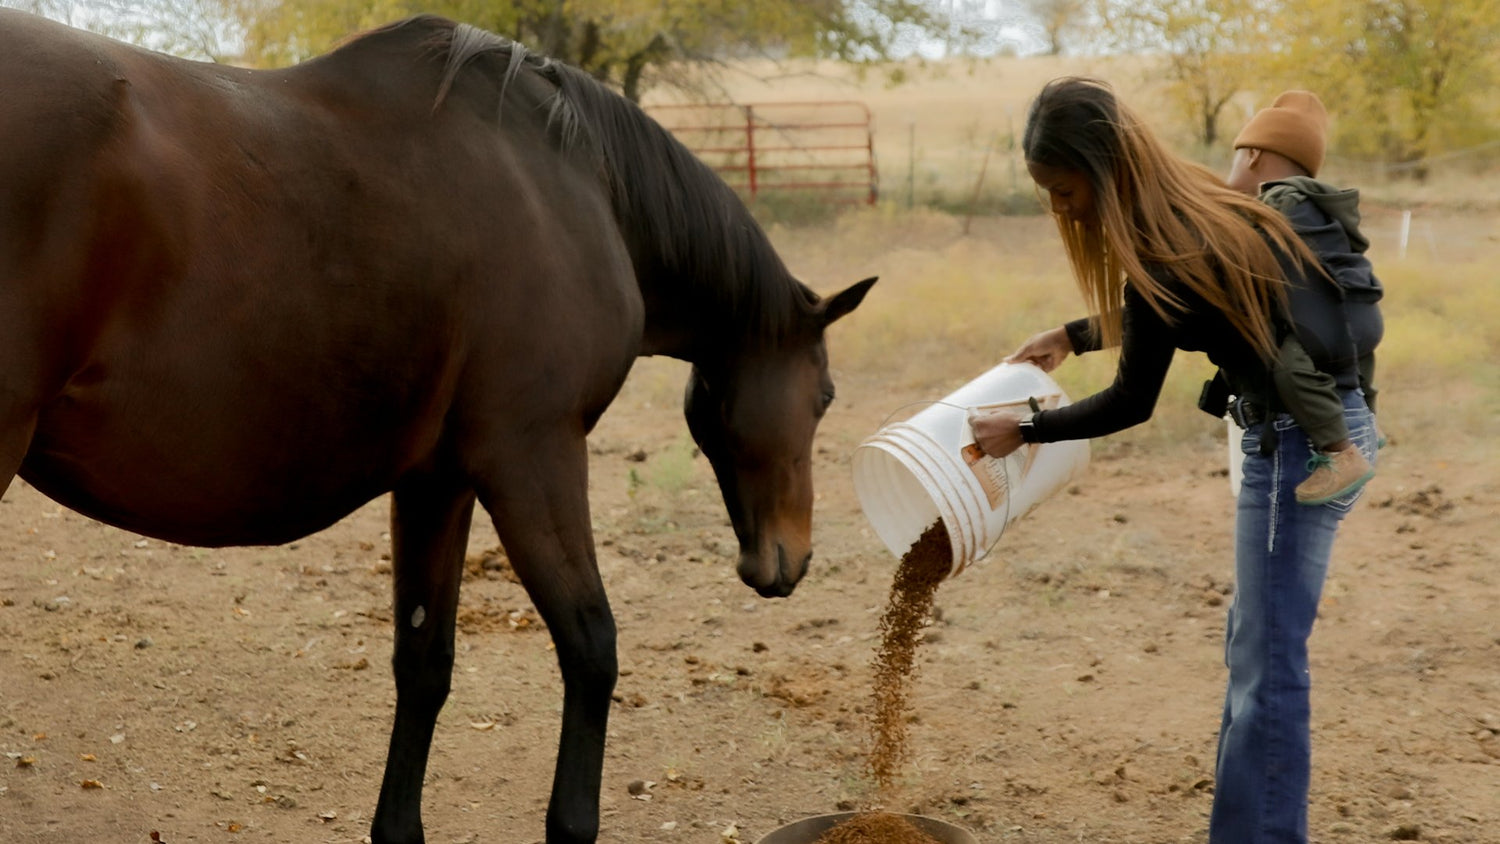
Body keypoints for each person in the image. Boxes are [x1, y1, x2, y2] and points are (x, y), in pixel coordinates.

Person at [971, 77, 1379, 844]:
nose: (1061, 210)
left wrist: (1024, 429)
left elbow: (1132, 401)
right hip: (1299, 430)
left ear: (1102, 166)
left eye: (1064, 191)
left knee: (1269, 670)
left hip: (1293, 445)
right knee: (1254, 653)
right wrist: (1074, 334)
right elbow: (1177, 307)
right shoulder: (1185, 202)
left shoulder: (1163, 238)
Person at [1226, 90, 1386, 455]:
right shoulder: (1322, 206)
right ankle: (1367, 424)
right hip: (1356, 317)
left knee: (1285, 363)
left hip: (1316, 332)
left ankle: (1338, 451)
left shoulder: (1278, 202)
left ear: (1252, 155)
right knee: (1356, 367)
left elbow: (1253, 262)